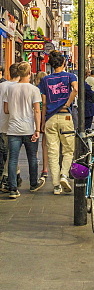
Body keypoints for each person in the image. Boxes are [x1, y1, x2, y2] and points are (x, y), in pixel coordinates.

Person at [38, 52, 78, 195]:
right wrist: (68, 102)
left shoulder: (45, 80)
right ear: (63, 63)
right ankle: (64, 175)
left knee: (53, 152)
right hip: (65, 116)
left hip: (50, 118)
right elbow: (76, 89)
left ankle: (56, 186)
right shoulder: (69, 76)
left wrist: (42, 122)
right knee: (68, 150)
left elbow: (43, 102)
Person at [3, 61, 44, 196]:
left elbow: (6, 110)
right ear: (29, 73)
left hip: (13, 128)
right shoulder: (34, 89)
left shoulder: (10, 89)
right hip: (29, 128)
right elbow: (37, 111)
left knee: (13, 159)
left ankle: (13, 188)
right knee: (32, 157)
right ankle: (33, 183)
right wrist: (37, 129)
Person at [0, 63, 20, 191]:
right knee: (11, 155)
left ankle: (13, 177)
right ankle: (8, 180)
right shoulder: (18, 87)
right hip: (14, 125)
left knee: (8, 154)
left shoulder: (2, 86)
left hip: (3, 124)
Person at [34, 70, 49, 179]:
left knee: (34, 144)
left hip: (34, 119)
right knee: (45, 145)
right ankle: (45, 168)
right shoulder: (48, 91)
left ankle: (34, 164)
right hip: (46, 117)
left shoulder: (34, 90)